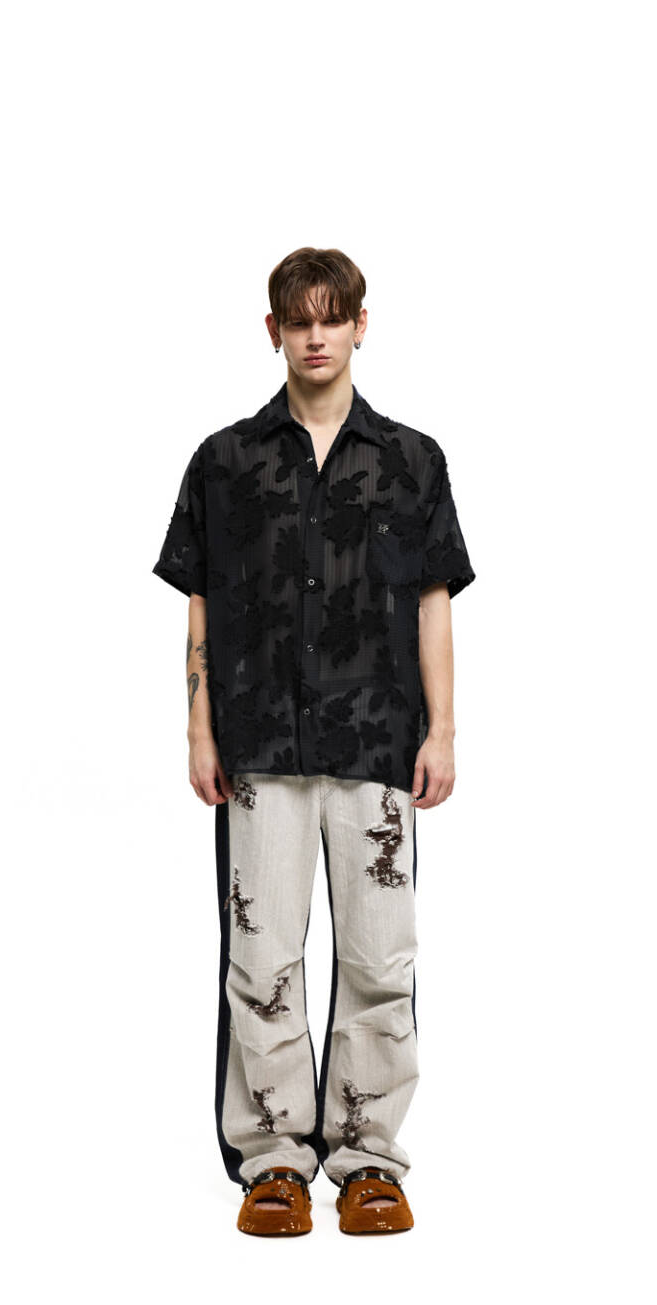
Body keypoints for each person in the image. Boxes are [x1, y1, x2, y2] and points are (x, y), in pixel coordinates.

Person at [152, 247, 475, 1236]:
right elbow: (200, 600)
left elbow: (434, 600)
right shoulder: (224, 462)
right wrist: (199, 728)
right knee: (262, 960)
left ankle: (370, 1158)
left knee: (381, 960)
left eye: (333, 318)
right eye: (300, 321)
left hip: (378, 746)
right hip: (261, 745)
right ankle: (275, 1161)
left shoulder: (413, 460)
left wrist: (444, 731)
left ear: (361, 326)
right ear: (275, 332)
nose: (317, 336)